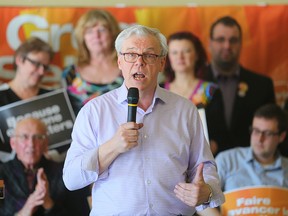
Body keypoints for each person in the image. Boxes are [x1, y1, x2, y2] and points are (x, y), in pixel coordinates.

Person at [63, 24, 225, 215]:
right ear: (119, 62)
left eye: (149, 55)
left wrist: (206, 192)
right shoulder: (94, 111)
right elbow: (71, 179)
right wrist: (113, 146)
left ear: (162, 63)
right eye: (131, 55)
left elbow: (204, 167)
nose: (139, 63)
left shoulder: (185, 110)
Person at [203, 16, 276, 155]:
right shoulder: (193, 84)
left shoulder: (262, 85)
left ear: (241, 43)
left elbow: (272, 132)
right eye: (220, 39)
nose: (227, 46)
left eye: (233, 40)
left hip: (250, 170)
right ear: (210, 43)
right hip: (203, 170)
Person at [201, 103, 288, 215]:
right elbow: (201, 200)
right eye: (256, 131)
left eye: (267, 133)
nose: (259, 139)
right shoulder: (228, 160)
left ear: (281, 137)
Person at [0, 117, 90, 216]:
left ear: (45, 143)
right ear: (13, 143)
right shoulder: (1, 176)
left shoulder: (64, 173)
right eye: (24, 137)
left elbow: (80, 212)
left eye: (38, 137)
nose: (31, 144)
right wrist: (26, 209)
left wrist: (48, 202)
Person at [162, 31, 225, 154]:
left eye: (186, 51)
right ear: (168, 57)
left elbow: (220, 134)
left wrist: (212, 145)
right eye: (174, 52)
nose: (180, 57)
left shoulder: (211, 91)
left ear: (197, 55)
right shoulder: (159, 89)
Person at [0, 37, 54, 162]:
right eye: (36, 64)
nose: (41, 71)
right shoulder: (1, 96)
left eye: (45, 67)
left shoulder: (53, 97)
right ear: (19, 59)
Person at [62, 9, 124, 115]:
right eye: (89, 31)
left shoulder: (127, 68)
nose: (96, 36)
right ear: (82, 37)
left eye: (102, 30)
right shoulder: (70, 73)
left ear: (113, 34)